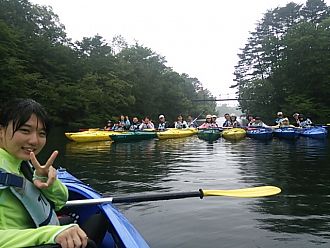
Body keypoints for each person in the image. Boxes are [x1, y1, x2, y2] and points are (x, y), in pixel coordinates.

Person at [0, 98, 108, 248]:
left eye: (41, 133)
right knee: (88, 244)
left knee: (99, 219)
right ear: (1, 131)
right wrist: (51, 234)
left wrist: (48, 180)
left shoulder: (22, 163)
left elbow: (60, 202)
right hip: (18, 240)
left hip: (32, 227)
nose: (34, 141)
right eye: (25, 130)